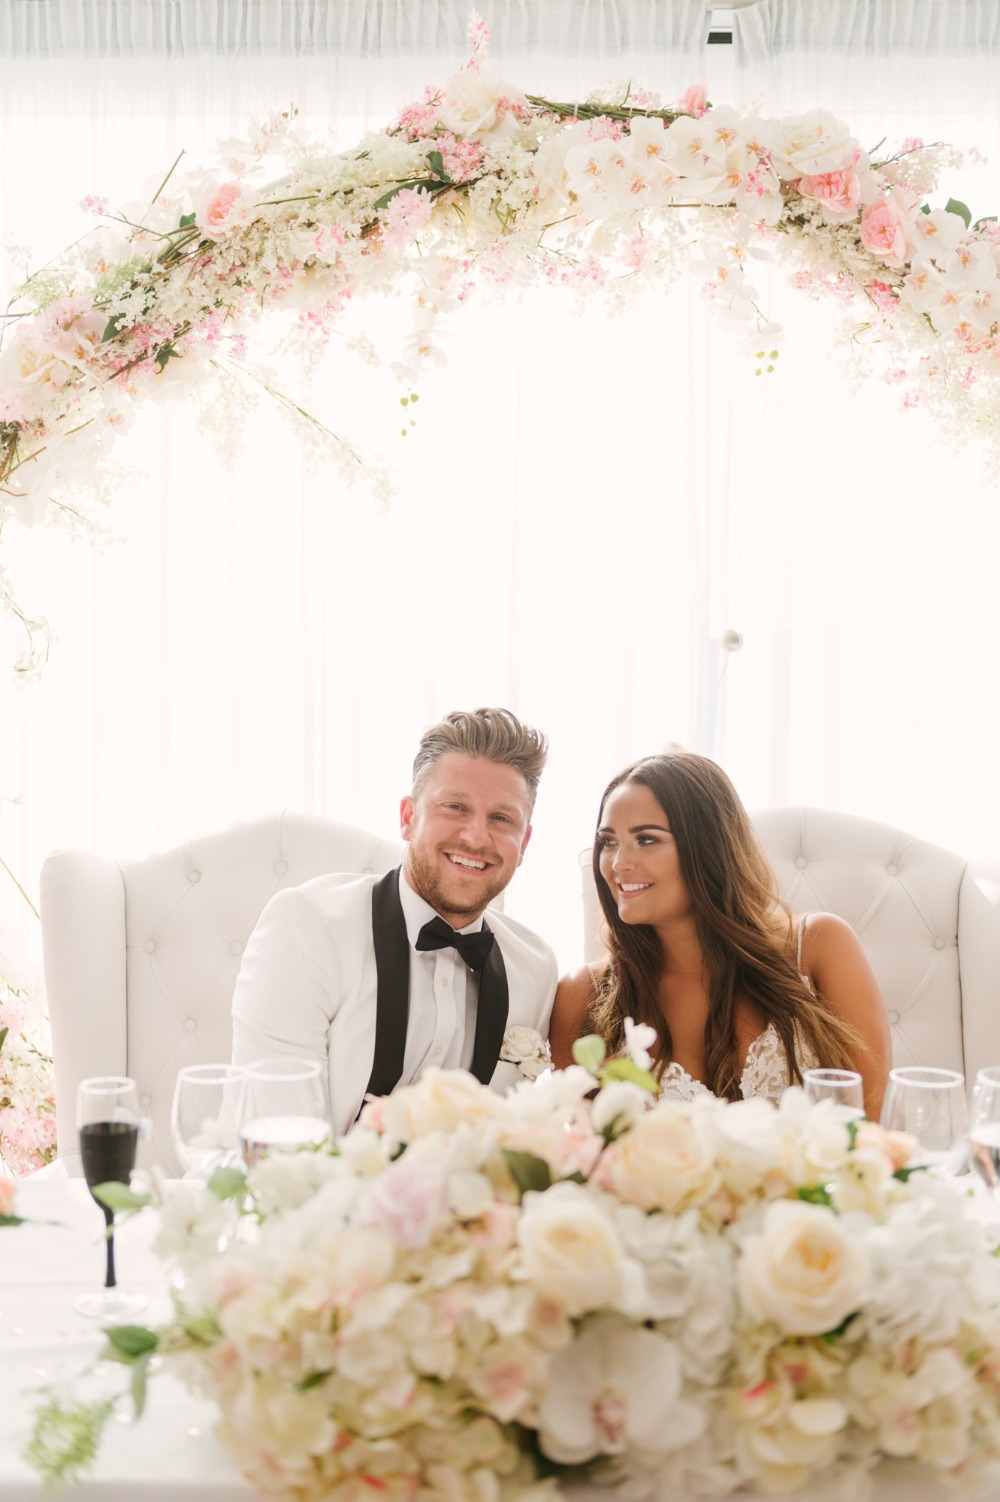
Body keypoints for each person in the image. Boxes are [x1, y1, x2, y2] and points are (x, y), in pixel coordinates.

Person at [232, 707, 558, 1134]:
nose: (476, 837)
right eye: (455, 807)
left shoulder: (535, 968)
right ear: (408, 818)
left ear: (525, 841)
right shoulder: (308, 927)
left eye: (501, 818)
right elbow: (276, 1137)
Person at [549, 753, 892, 1119]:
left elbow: (872, 1129)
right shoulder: (580, 996)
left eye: (647, 839)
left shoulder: (820, 946)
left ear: (709, 847)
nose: (618, 864)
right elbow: (583, 1159)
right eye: (608, 841)